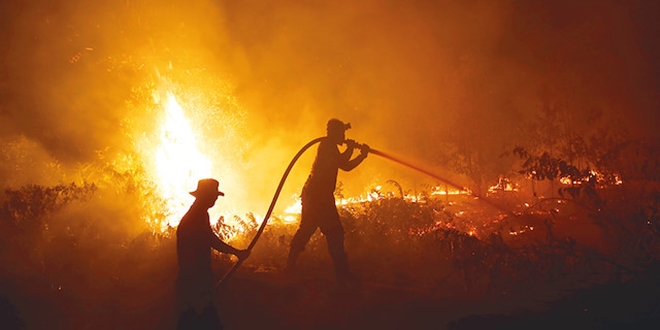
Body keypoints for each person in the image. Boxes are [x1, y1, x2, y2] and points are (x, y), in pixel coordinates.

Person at [286, 119, 370, 286]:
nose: (343, 136)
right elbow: (344, 165)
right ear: (334, 133)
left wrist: (356, 153)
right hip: (317, 197)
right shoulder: (326, 146)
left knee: (328, 233)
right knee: (325, 232)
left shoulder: (330, 146)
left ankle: (340, 274)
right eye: (342, 133)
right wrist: (356, 152)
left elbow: (343, 163)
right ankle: (340, 275)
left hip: (320, 196)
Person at [176, 178, 249, 330]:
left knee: (192, 321)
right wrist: (236, 253)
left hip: (193, 279)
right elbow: (210, 240)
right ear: (204, 195)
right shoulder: (196, 216)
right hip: (195, 280)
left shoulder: (198, 214)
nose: (216, 198)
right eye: (213, 195)